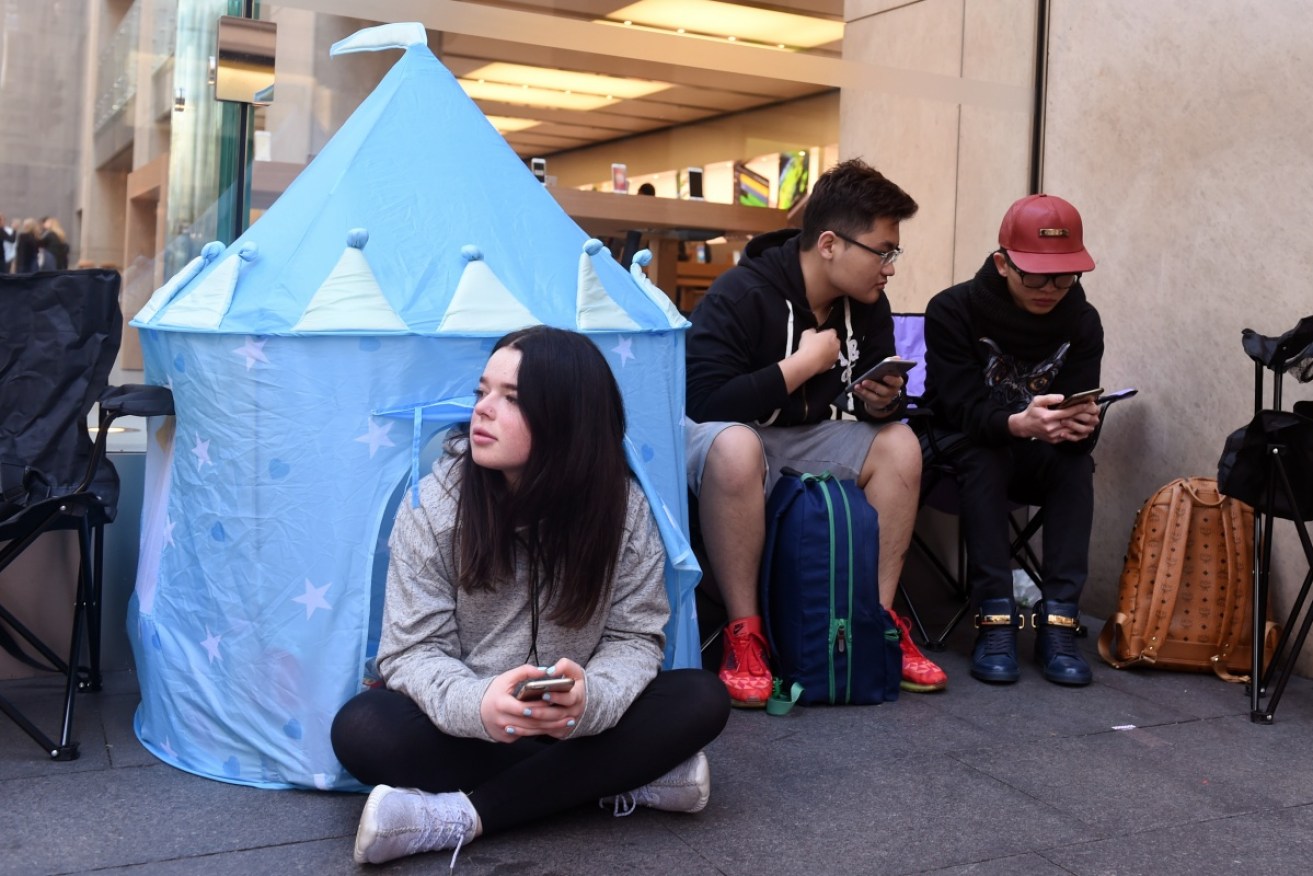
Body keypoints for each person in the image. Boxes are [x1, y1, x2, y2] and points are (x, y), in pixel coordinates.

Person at [331, 326, 730, 867]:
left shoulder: (623, 510)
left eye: (511, 398)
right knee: (361, 728)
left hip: (581, 721)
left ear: (567, 416)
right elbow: (410, 650)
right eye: (482, 392)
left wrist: (591, 700)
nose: (483, 411)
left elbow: (635, 636)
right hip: (474, 726)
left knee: (702, 698)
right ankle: (620, 780)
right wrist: (480, 705)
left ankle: (462, 816)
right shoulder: (433, 505)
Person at [685, 158, 947, 707]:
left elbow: (873, 400)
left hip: (806, 438)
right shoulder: (740, 292)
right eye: (883, 251)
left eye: (894, 253)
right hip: (727, 441)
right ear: (829, 244)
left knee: (900, 443)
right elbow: (702, 401)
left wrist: (883, 402)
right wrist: (800, 366)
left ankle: (872, 623)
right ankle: (744, 633)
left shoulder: (868, 306)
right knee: (735, 446)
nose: (890, 268)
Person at [919, 193, 1103, 687]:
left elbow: (1078, 404)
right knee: (986, 456)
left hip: (1040, 449)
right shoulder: (953, 309)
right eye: (1036, 275)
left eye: (1065, 276)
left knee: (1074, 466)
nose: (1051, 288)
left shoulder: (1083, 320)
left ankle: (1060, 621)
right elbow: (958, 408)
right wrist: (1017, 423)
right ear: (1003, 263)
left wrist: (1082, 426)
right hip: (962, 446)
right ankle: (994, 621)